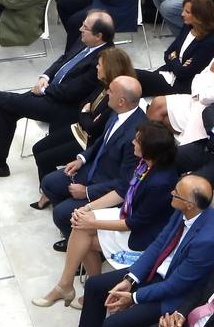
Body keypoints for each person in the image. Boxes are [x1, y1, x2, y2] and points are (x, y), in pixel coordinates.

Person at [41, 122, 181, 309]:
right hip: (127, 214)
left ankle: (80, 288)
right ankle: (73, 286)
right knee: (80, 223)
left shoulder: (160, 182)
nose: (132, 142)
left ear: (149, 148)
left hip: (143, 235)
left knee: (85, 234)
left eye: (137, 141)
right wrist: (88, 209)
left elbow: (134, 223)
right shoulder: (145, 163)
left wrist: (93, 222)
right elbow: (122, 191)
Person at [0, 10, 114, 179]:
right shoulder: (85, 42)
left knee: (6, 102)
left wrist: (44, 89)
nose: (80, 28)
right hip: (51, 92)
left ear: (98, 36)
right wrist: (46, 76)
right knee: (7, 108)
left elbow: (72, 92)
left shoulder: (104, 60)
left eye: (85, 27)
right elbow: (64, 59)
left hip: (64, 106)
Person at [78, 174, 214, 327]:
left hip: (172, 295)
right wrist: (130, 279)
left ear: (189, 204)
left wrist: (133, 297)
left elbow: (174, 286)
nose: (171, 192)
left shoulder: (207, 241)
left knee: (113, 324)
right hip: (156, 271)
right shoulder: (185, 210)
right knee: (95, 285)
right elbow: (159, 244)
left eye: (176, 193)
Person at [41, 75, 147, 239]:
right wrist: (81, 159)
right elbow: (102, 141)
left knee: (61, 214)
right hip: (94, 168)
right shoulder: (118, 112)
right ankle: (71, 224)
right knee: (49, 183)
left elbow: (124, 182)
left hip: (107, 185)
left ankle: (80, 240)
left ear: (122, 101)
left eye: (110, 91)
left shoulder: (135, 135)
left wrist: (87, 192)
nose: (106, 93)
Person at [157, 33, 214, 148]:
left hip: (203, 111)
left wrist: (212, 73)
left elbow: (206, 98)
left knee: (162, 118)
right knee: (157, 103)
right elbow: (195, 80)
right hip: (193, 99)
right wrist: (201, 89)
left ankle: (163, 149)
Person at [139, 0, 214, 97]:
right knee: (131, 86)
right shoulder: (187, 27)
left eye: (187, 12)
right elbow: (168, 53)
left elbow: (184, 73)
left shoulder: (209, 43)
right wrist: (177, 61)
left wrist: (173, 58)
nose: (182, 14)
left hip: (180, 84)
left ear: (199, 16)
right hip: (168, 72)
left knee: (135, 76)